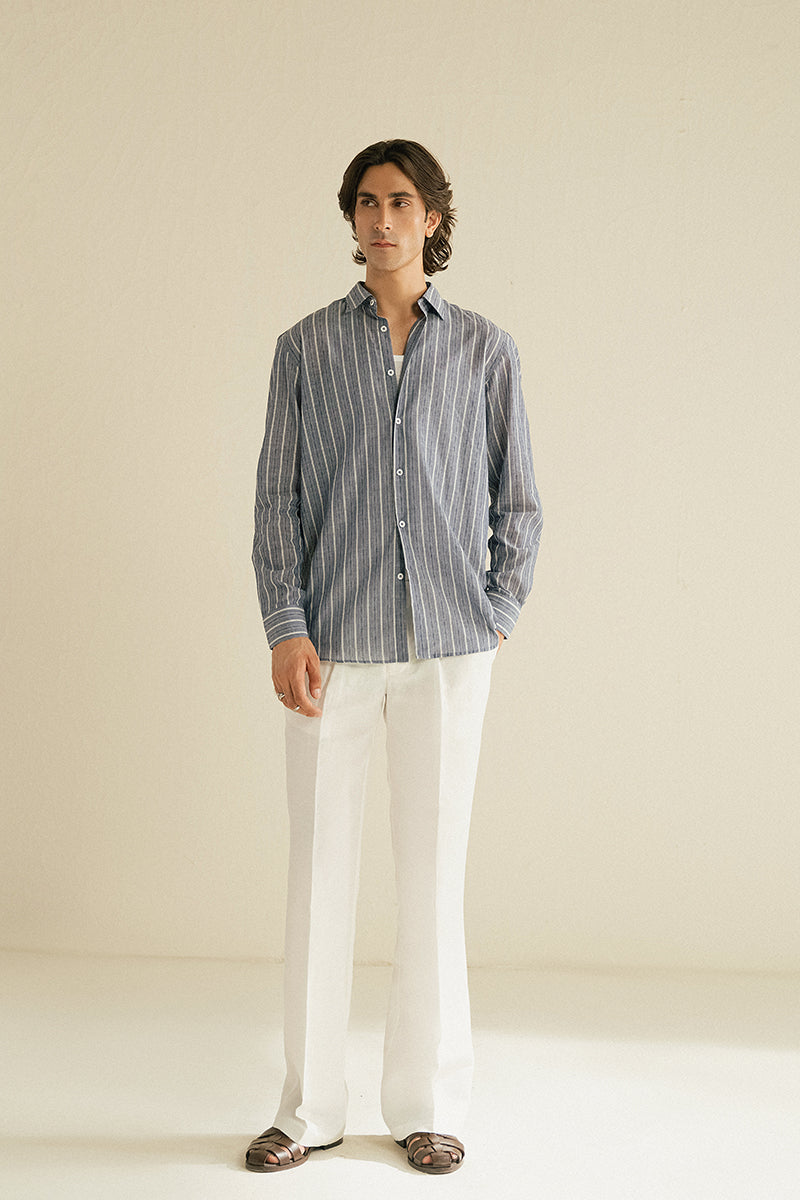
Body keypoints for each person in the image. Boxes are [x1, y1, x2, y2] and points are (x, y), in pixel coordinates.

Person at [246, 139, 542, 1175]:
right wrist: (286, 625)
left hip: (450, 651)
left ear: (432, 220)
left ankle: (428, 1104)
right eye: (366, 202)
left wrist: (496, 609)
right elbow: (277, 502)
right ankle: (307, 1110)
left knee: (432, 878)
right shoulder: (304, 349)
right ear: (352, 219)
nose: (381, 220)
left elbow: (519, 499)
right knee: (317, 877)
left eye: (400, 202)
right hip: (331, 650)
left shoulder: (487, 351)